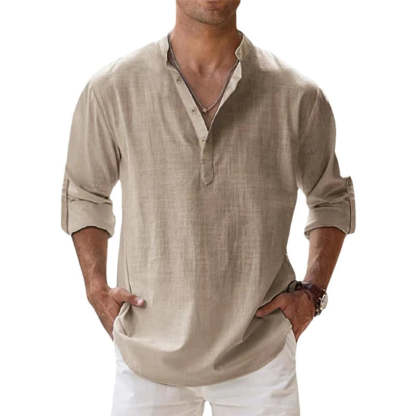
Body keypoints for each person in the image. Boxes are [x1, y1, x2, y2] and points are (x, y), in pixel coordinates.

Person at [60, 1, 356, 414]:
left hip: (259, 356)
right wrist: (96, 289)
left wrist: (313, 293)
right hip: (147, 357)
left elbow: (330, 199)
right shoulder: (112, 89)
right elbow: (85, 193)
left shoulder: (297, 96)